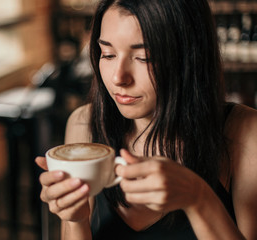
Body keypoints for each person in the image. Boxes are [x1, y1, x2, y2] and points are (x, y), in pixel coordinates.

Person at [36, 0, 257, 239]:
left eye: (144, 58)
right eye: (107, 54)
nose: (118, 77)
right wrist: (76, 220)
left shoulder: (245, 133)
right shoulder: (84, 124)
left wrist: (199, 198)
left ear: (189, 56)